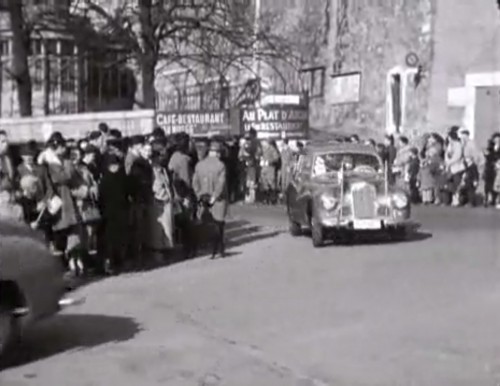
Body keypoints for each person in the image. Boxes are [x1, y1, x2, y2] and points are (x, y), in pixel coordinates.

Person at [192, 141, 228, 259]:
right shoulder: (221, 165)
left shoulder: (199, 165)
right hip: (218, 200)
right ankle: (220, 249)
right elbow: (221, 184)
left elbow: (195, 183)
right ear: (217, 153)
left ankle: (205, 249)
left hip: (203, 197)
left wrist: (199, 195)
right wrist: (214, 197)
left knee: (205, 223)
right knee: (219, 224)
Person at [99, 154, 130, 274]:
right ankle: (112, 263)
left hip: (117, 212)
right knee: (112, 241)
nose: (116, 167)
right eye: (114, 165)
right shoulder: (107, 180)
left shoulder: (116, 178)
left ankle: (118, 262)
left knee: (118, 239)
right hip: (111, 214)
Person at [129, 140, 154, 268]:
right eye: (146, 150)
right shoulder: (138, 165)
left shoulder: (147, 163)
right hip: (140, 200)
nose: (149, 153)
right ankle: (139, 255)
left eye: (150, 150)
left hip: (144, 199)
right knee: (139, 228)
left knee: (144, 227)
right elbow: (137, 183)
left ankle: (144, 253)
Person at [147, 147, 175, 261]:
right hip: (158, 201)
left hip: (166, 201)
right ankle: (159, 252)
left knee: (168, 227)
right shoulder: (152, 171)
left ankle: (167, 248)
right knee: (158, 229)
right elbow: (155, 187)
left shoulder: (162, 169)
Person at [445, 126, 466, 206]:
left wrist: (450, 162)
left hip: (458, 168)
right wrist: (447, 162)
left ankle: (457, 200)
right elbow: (446, 155)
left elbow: (458, 156)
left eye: (449, 137)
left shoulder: (458, 145)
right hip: (450, 168)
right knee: (451, 184)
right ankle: (453, 199)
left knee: (457, 184)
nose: (448, 139)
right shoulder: (449, 146)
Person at [259, 139, 280, 204]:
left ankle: (273, 199)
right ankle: (266, 199)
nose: (262, 144)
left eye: (263, 142)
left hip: (270, 168)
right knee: (264, 183)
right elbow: (259, 155)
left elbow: (276, 158)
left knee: (271, 183)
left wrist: (269, 161)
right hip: (263, 168)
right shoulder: (262, 149)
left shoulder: (272, 149)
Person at [483, 133, 500, 207]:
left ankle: (495, 200)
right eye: (495, 139)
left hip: (498, 167)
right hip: (490, 167)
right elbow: (488, 156)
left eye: (498, 139)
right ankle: (487, 199)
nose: (497, 141)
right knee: (488, 183)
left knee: (496, 184)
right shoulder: (490, 147)